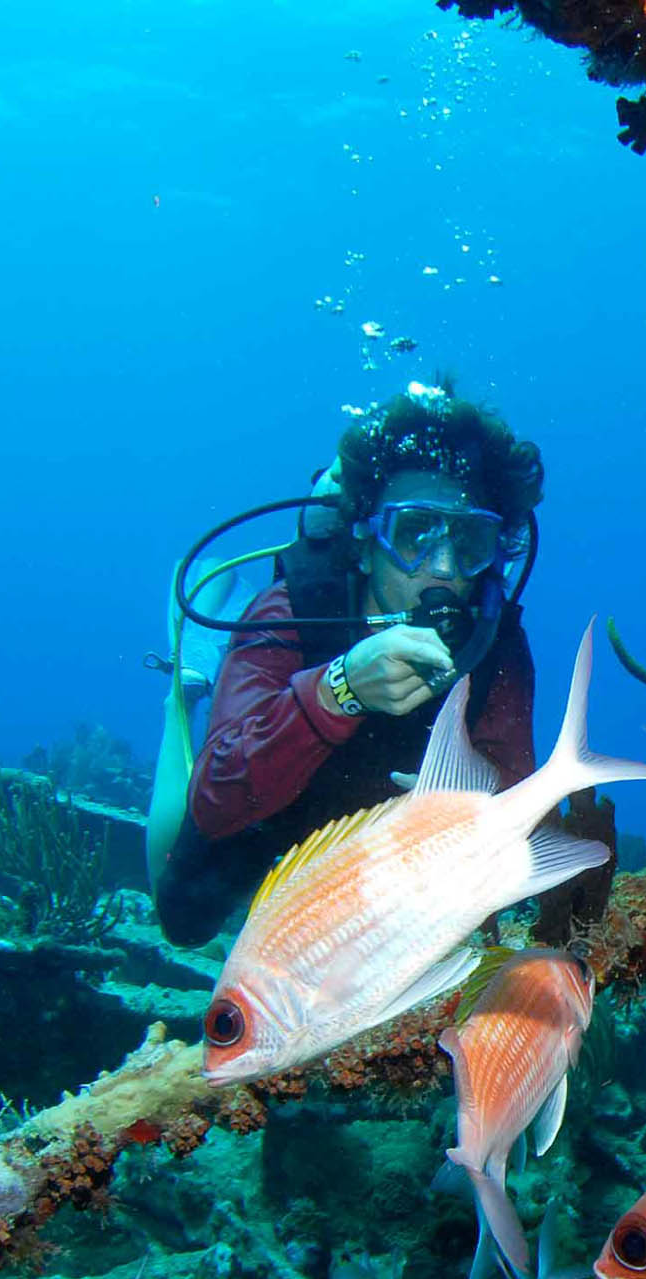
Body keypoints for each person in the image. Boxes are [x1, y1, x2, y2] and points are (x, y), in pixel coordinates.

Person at [155, 384, 543, 947]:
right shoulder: (293, 608)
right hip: (273, 818)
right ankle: (186, 689)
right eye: (413, 533)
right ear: (364, 543)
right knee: (183, 918)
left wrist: (460, 807)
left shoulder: (495, 643)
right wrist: (339, 691)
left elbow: (511, 790)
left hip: (379, 856)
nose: (441, 567)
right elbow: (216, 800)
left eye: (469, 539)